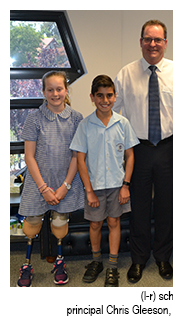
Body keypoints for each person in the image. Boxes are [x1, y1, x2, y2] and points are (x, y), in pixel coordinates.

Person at [113, 19, 173, 283]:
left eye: (157, 39)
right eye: (148, 39)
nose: (152, 44)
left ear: (165, 43)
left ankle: (162, 257)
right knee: (138, 207)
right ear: (141, 42)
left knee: (164, 206)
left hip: (170, 148)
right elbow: (114, 113)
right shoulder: (125, 74)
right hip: (137, 149)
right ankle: (138, 259)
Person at [70, 75, 139, 287]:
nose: (105, 100)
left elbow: (130, 156)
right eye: (100, 95)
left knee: (114, 222)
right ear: (92, 97)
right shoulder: (85, 125)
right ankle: (96, 260)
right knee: (95, 224)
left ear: (115, 97)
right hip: (95, 186)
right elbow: (80, 160)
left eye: (109, 95)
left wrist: (126, 185)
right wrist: (88, 191)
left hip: (118, 186)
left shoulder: (123, 123)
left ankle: (112, 265)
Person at [17, 71, 84, 287]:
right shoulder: (34, 118)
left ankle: (59, 263)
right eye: (50, 90)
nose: (55, 93)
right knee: (32, 224)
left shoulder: (76, 118)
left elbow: (77, 155)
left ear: (66, 90)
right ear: (43, 92)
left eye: (59, 89)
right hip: (38, 183)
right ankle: (26, 265)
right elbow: (29, 156)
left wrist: (65, 186)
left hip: (66, 182)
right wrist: (44, 188)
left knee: (59, 222)